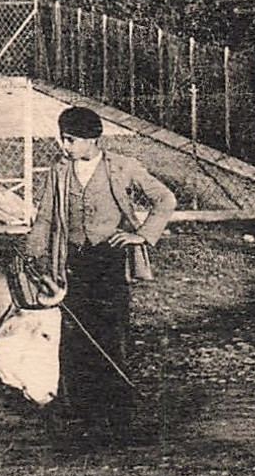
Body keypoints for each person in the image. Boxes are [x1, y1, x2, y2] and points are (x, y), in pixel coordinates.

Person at [26, 106, 176, 446]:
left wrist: (142, 234)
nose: (65, 146)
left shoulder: (122, 167)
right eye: (63, 139)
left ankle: (118, 415)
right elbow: (46, 218)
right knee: (73, 338)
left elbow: (165, 199)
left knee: (111, 334)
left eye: (71, 140)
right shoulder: (59, 170)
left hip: (109, 263)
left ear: (93, 140)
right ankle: (76, 414)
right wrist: (33, 255)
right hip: (73, 263)